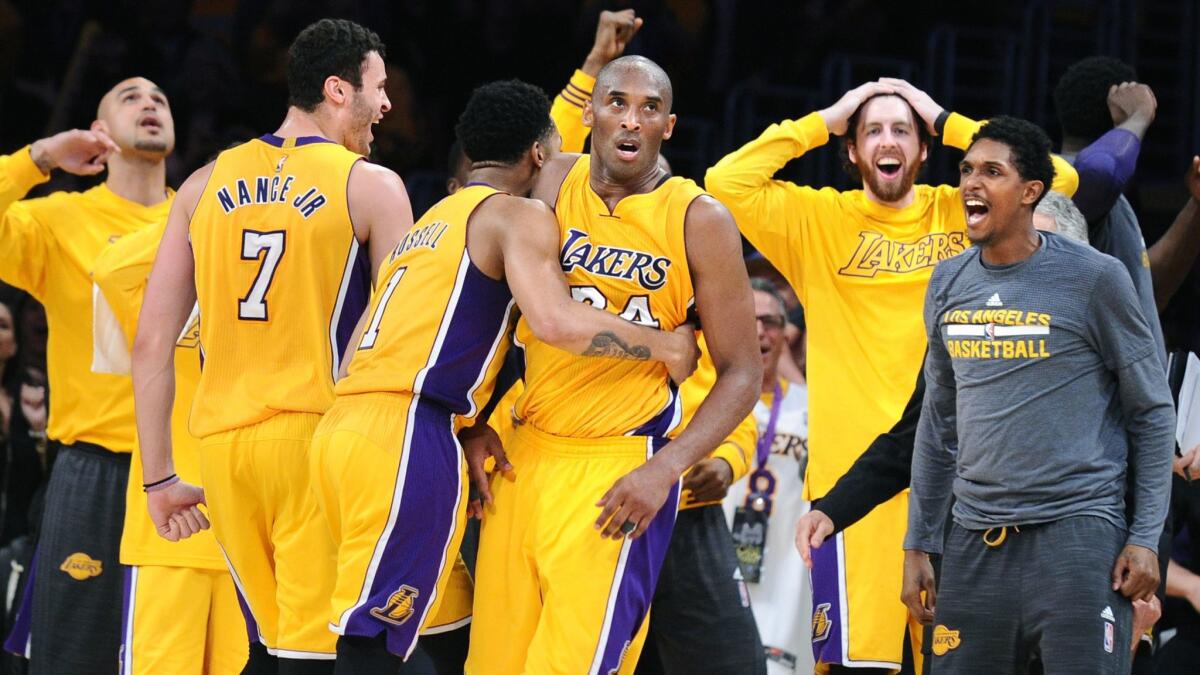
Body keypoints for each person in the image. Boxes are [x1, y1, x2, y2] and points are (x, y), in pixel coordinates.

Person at [310, 78, 698, 672]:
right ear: (540, 156)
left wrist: (472, 423)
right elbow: (553, 319)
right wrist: (664, 346)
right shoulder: (513, 214)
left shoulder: (431, 217)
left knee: (447, 624)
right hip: (408, 430)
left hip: (342, 429)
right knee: (373, 642)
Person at [705, 78, 1078, 672]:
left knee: (958, 662)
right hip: (856, 491)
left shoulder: (957, 210)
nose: (888, 140)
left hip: (965, 482)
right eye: (871, 130)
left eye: (902, 130)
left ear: (924, 150)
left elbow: (1058, 178)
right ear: (851, 151)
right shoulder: (816, 219)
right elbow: (726, 182)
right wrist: (825, 118)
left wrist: (943, 116)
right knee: (860, 665)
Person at [466, 55, 761, 674]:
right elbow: (482, 301)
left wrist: (669, 468)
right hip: (522, 457)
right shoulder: (549, 182)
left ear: (669, 126)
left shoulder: (700, 218)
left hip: (616, 470)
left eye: (649, 108)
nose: (631, 120)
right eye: (617, 103)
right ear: (590, 114)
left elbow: (742, 372)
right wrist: (473, 421)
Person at [132, 18, 410, 673]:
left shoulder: (201, 184)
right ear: (338, 91)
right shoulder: (370, 184)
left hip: (224, 454)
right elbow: (399, 333)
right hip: (318, 440)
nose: (389, 104)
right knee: (310, 655)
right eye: (378, 87)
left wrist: (160, 477)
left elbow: (151, 342)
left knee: (265, 647)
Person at [902, 116, 1174, 674]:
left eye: (992, 172)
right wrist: (919, 542)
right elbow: (938, 423)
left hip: (1078, 534)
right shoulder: (947, 282)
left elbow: (1150, 411)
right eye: (967, 170)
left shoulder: (1095, 277)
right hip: (974, 538)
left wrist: (1145, 537)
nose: (971, 183)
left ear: (1030, 193)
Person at [0, 75, 172, 672]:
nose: (149, 104)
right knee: (75, 658)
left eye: (159, 99)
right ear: (98, 133)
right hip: (93, 468)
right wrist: (40, 158)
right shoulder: (59, 220)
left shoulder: (202, 219)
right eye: (130, 97)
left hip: (187, 472)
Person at [91, 218, 247, 674]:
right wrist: (192, 212)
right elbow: (112, 269)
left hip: (254, 533)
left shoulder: (286, 290)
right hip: (173, 532)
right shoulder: (165, 302)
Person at [720, 277, 811, 674]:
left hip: (787, 574)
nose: (759, 330)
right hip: (717, 563)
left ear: (786, 332)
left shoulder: (813, 406)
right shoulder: (707, 403)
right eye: (747, 318)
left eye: (771, 321)